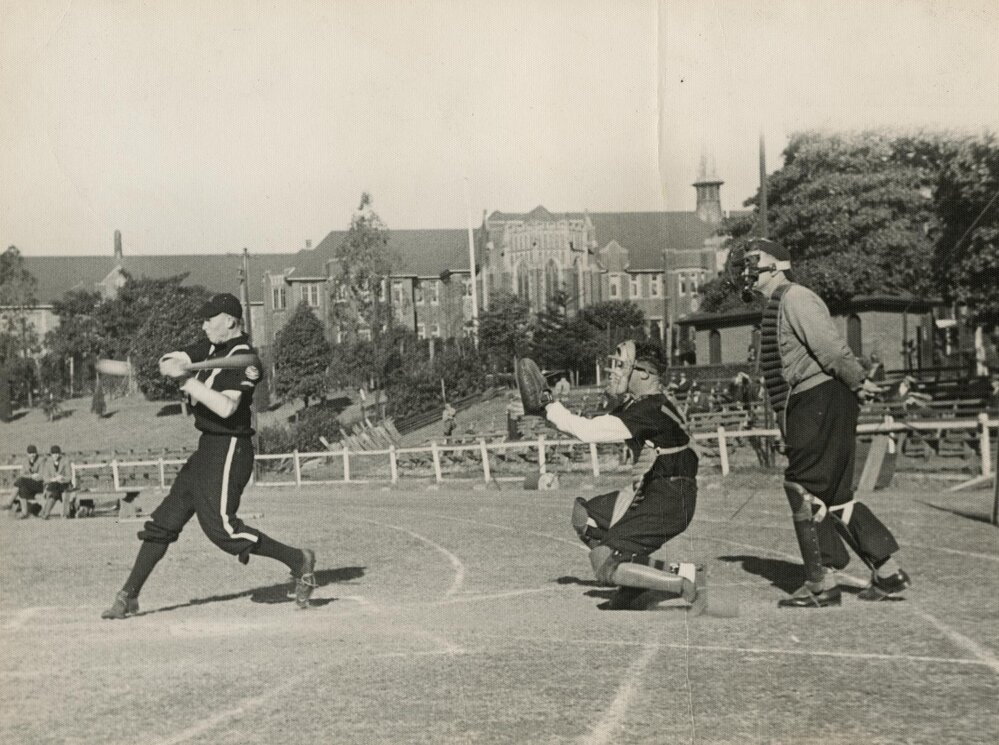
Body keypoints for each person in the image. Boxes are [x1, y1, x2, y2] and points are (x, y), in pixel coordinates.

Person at [102, 293, 316, 619]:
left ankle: (298, 560)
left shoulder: (247, 361)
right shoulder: (211, 346)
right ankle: (128, 595)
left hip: (231, 447)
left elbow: (227, 406)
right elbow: (174, 356)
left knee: (223, 530)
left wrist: (187, 380)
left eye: (209, 319)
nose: (203, 325)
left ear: (229, 320)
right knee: (164, 522)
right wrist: (170, 363)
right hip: (207, 447)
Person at [732, 238, 910, 607]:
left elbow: (829, 347)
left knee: (804, 487)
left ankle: (821, 583)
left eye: (754, 260)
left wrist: (856, 379)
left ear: (778, 265)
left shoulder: (795, 297)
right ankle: (888, 574)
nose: (747, 269)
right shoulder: (780, 303)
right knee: (833, 494)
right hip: (814, 401)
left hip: (819, 398)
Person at [526, 341, 733, 615]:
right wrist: (553, 412)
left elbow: (588, 432)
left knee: (603, 562)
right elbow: (588, 427)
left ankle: (685, 584)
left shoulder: (650, 408)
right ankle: (636, 577)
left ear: (645, 373)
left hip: (668, 498)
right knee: (585, 516)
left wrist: (548, 406)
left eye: (623, 366)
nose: (614, 372)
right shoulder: (650, 405)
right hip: (658, 492)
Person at [8, 445, 45, 518]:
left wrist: (31, 476)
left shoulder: (41, 461)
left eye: (34, 453)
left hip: (39, 484)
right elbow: (22, 474)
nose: (32, 455)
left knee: (21, 481)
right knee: (22, 488)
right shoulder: (25, 462)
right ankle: (24, 512)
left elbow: (42, 475)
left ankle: (9, 502)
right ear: (27, 454)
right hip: (28, 483)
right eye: (31, 453)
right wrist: (31, 476)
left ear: (36, 453)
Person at [40, 445, 73, 519]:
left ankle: (45, 513)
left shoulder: (65, 461)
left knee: (54, 491)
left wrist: (62, 478)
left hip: (64, 484)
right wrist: (54, 479)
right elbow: (45, 478)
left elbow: (69, 476)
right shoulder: (48, 463)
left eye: (57, 453)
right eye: (54, 454)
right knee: (54, 489)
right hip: (53, 484)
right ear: (51, 454)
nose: (56, 455)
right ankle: (46, 513)